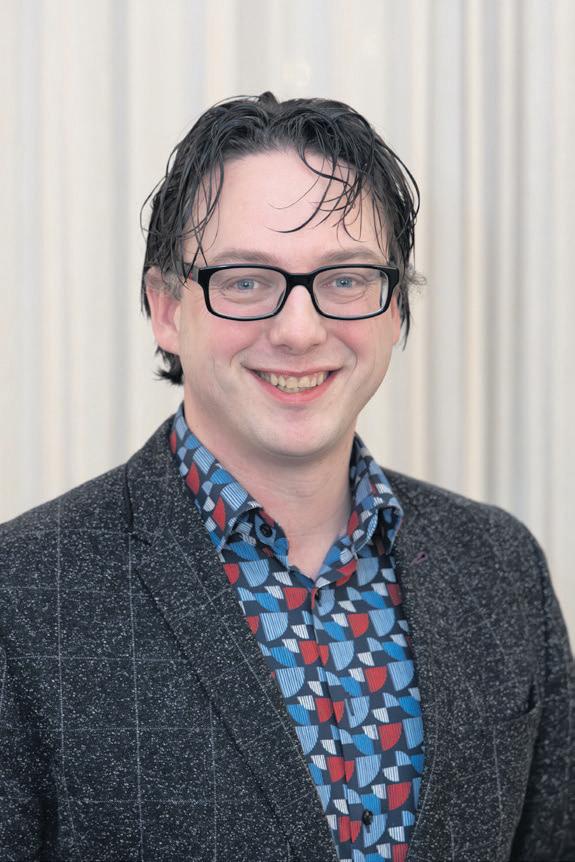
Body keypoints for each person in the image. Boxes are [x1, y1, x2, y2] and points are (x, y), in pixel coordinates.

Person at [0, 92, 573, 862]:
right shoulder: (25, 593)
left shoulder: (499, 565)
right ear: (166, 308)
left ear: (394, 306)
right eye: (245, 280)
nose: (299, 330)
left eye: (345, 279)